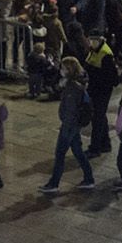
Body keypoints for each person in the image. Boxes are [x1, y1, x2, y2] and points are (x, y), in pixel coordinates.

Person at [39, 57, 96, 193]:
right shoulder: (75, 85)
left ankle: (54, 184)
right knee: (78, 152)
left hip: (69, 127)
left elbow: (70, 111)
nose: (61, 70)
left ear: (69, 70)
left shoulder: (72, 88)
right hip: (74, 126)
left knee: (60, 154)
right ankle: (89, 179)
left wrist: (66, 127)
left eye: (63, 68)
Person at [85, 32, 120, 156]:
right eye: (90, 39)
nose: (91, 42)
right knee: (100, 116)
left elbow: (112, 79)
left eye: (94, 40)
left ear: (100, 40)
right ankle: (105, 144)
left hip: (102, 90)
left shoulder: (106, 54)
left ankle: (95, 148)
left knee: (97, 118)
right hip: (94, 88)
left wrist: (93, 74)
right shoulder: (94, 50)